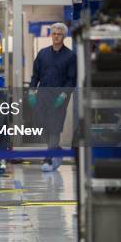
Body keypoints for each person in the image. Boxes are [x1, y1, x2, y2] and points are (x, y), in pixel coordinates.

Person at [28, 22, 76, 172]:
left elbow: (71, 79)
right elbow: (35, 75)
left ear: (64, 36)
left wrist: (63, 95)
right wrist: (31, 91)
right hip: (43, 95)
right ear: (51, 35)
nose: (56, 36)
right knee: (41, 125)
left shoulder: (70, 56)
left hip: (59, 97)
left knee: (54, 128)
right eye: (54, 33)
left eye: (59, 34)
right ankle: (56, 149)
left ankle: (48, 159)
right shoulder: (42, 54)